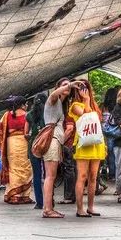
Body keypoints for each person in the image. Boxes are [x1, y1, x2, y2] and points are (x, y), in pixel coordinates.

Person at [41, 78, 78, 218]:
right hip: (52, 140)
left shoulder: (61, 104)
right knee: (50, 176)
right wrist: (70, 84)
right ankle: (47, 209)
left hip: (55, 141)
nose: (67, 88)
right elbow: (53, 94)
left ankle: (48, 207)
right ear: (58, 87)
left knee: (51, 176)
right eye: (63, 85)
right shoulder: (53, 100)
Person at [68, 81, 105, 216]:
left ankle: (90, 206)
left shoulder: (94, 105)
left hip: (95, 143)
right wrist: (86, 100)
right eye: (80, 88)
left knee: (93, 177)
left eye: (85, 88)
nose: (83, 90)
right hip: (84, 144)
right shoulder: (75, 105)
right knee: (82, 176)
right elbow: (86, 114)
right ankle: (79, 208)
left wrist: (89, 100)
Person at [0, 95, 34, 204]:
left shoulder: (6, 115)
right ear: (22, 105)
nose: (27, 105)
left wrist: (2, 146)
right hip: (24, 143)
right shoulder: (28, 115)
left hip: (11, 144)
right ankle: (24, 196)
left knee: (13, 169)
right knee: (26, 168)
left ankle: (12, 195)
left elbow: (0, 131)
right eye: (26, 104)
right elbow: (30, 132)